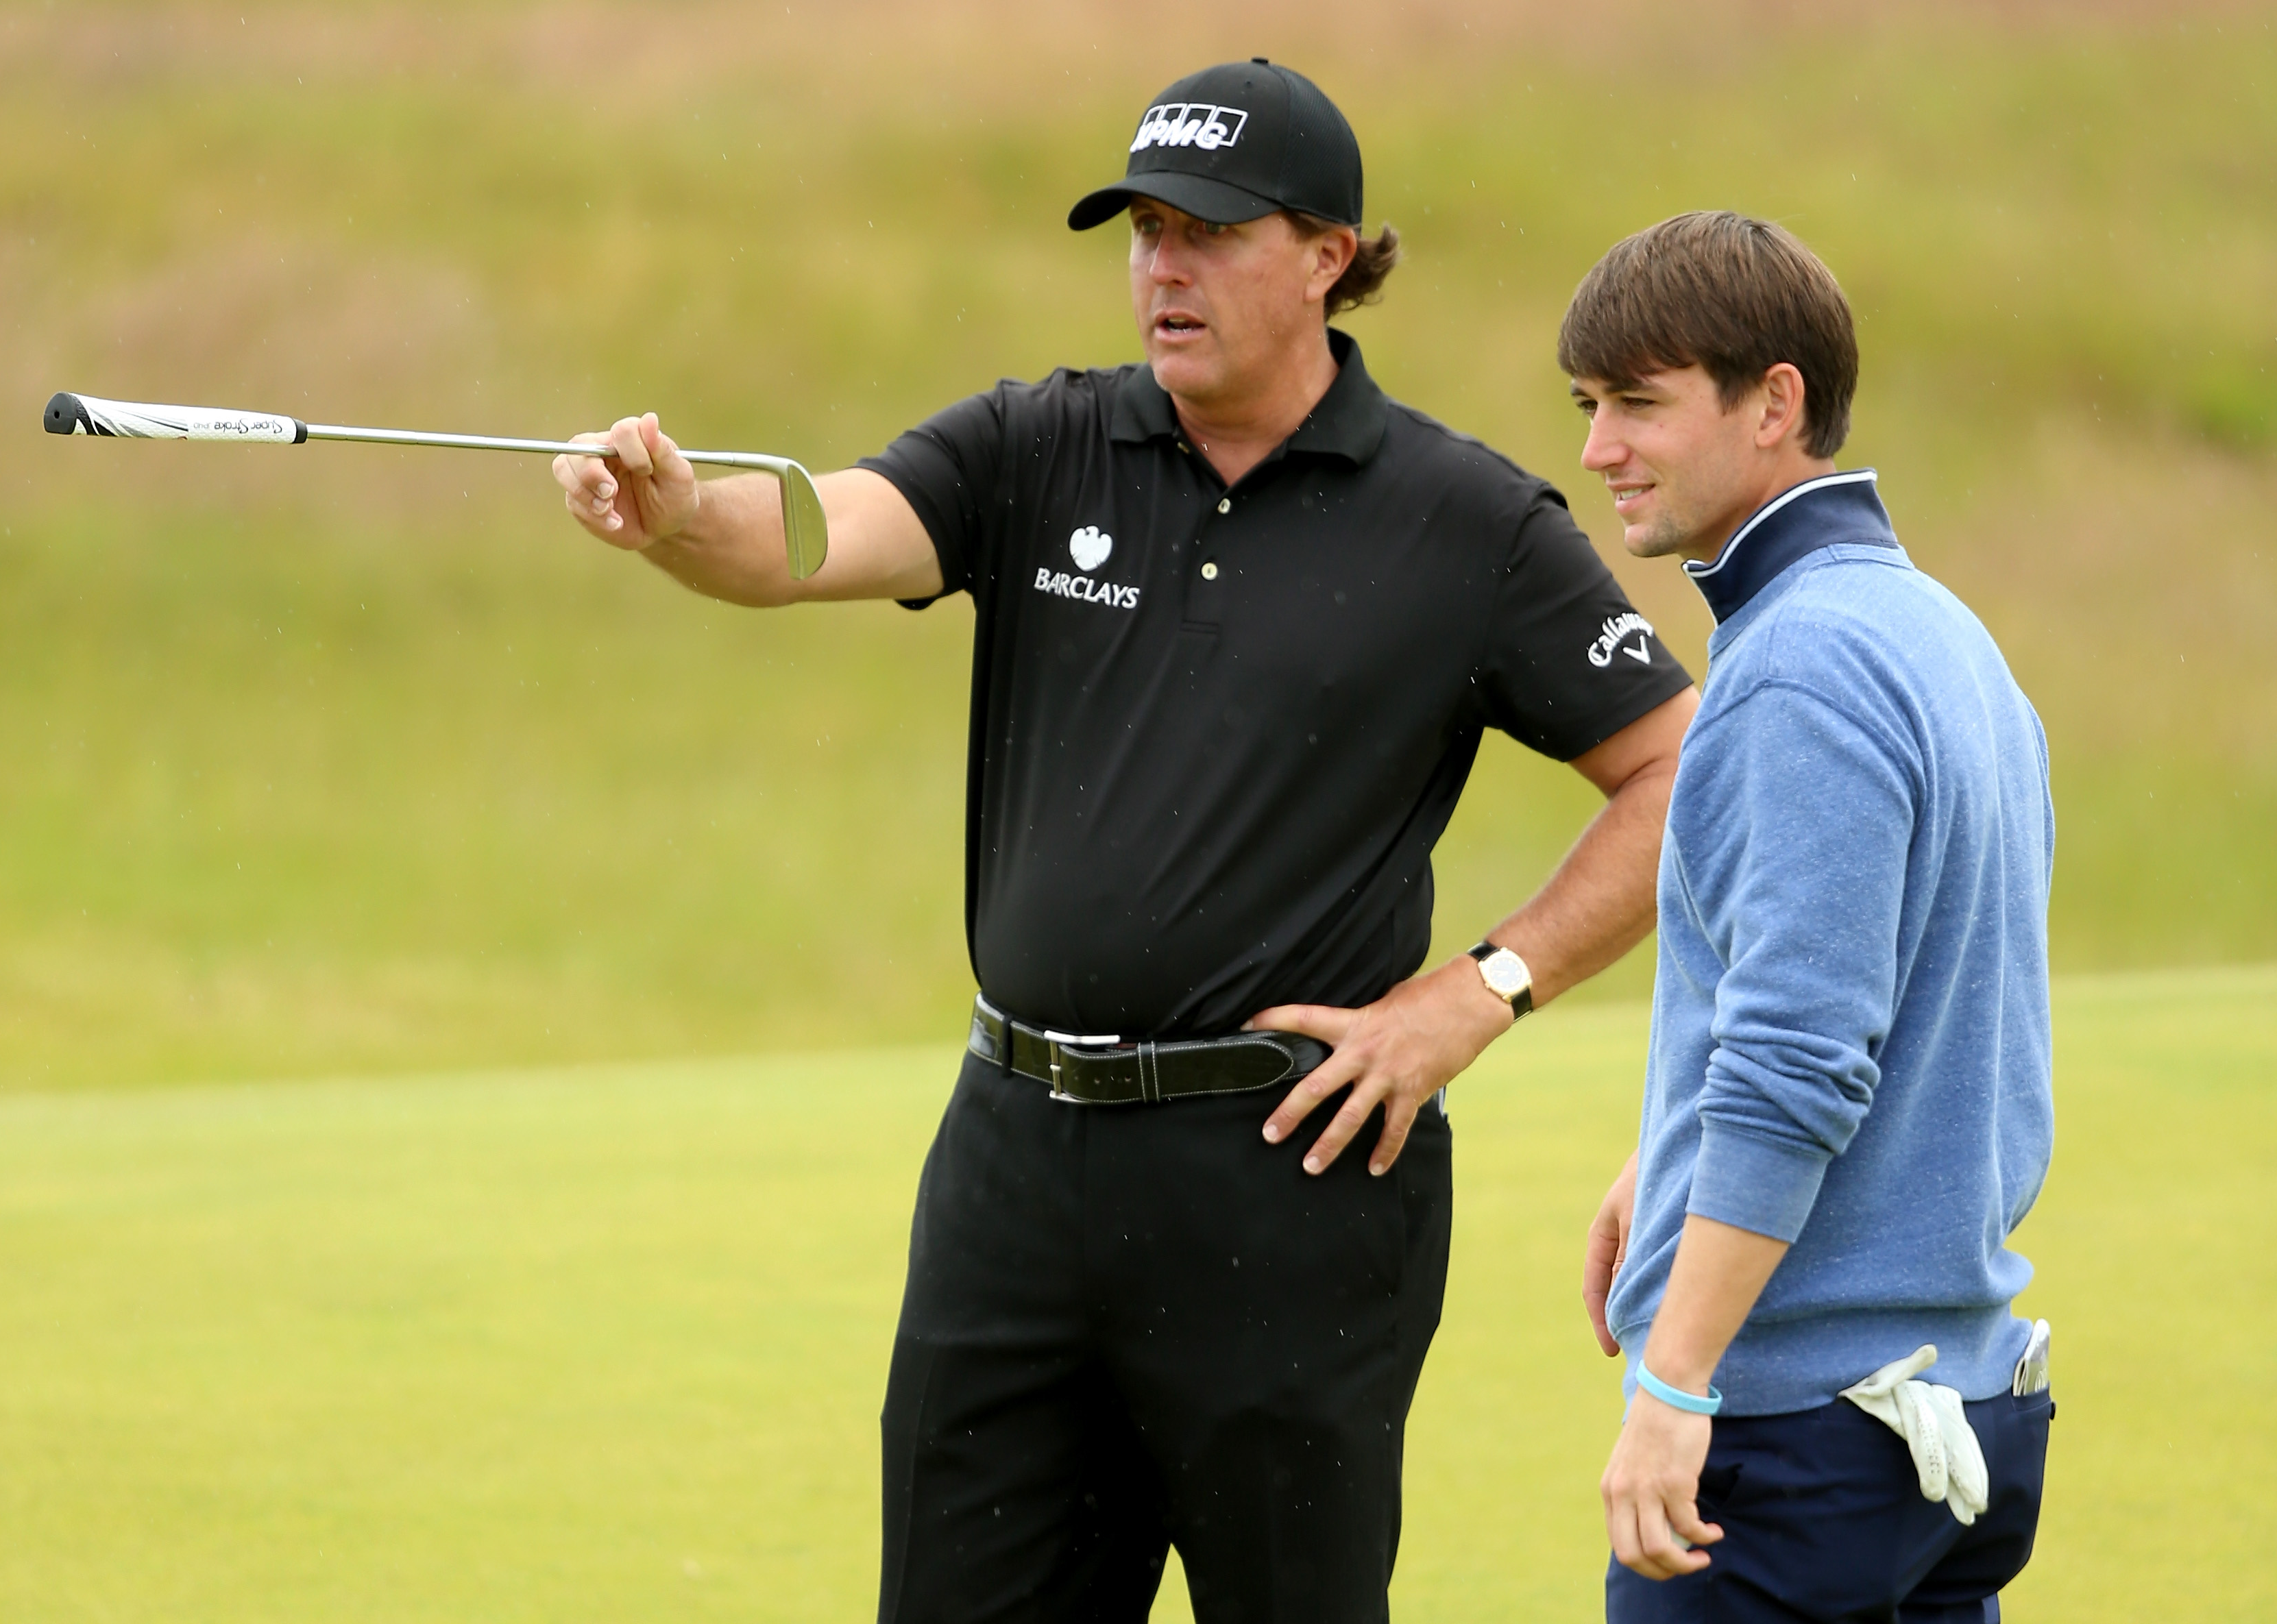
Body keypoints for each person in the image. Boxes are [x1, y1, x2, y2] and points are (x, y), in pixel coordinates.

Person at [555, 60, 1696, 1623]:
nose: (1164, 266)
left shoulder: (1466, 523)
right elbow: (815, 536)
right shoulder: (1038, 446)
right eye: (1146, 228)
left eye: (1210, 232)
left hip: (1288, 1181)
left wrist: (1476, 994)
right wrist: (683, 516)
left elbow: (1680, 774)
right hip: (1015, 1174)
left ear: (1327, 255)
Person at [1562, 211, 2056, 1623]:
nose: (1600, 450)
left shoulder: (1798, 670)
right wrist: (1675, 1156)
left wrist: (1671, 1384)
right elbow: (1898, 1000)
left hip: (1796, 1447)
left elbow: (1799, 1064)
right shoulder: (1939, 631)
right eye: (1590, 407)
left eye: (1639, 404)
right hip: (1948, 1421)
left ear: (1775, 405)